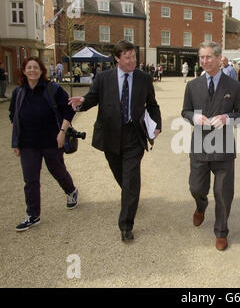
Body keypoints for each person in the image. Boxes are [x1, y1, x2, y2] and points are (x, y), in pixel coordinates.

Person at [68, 40, 162, 242]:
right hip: (110, 135)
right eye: (127, 57)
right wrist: (82, 102)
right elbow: (92, 98)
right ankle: (131, 196)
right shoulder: (103, 78)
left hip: (133, 135)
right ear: (117, 58)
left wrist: (157, 125)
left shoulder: (144, 78)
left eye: (134, 56)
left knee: (131, 179)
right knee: (121, 176)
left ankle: (126, 225)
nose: (132, 60)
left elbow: (153, 105)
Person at [181, 41, 240, 251]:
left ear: (219, 59)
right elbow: (185, 111)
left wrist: (228, 118)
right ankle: (201, 206)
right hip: (200, 145)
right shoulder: (192, 86)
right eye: (202, 57)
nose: (205, 61)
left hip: (224, 147)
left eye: (209, 57)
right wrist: (194, 117)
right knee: (196, 188)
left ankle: (221, 231)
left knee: (223, 193)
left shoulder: (234, 86)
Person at [9, 56, 78, 231]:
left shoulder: (52, 89)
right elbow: (13, 117)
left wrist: (62, 132)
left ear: (41, 71)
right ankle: (33, 214)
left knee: (57, 170)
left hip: (51, 140)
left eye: (36, 67)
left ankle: (71, 191)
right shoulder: (18, 93)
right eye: (29, 68)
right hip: (28, 144)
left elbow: (69, 109)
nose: (32, 70)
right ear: (24, 71)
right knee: (30, 179)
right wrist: (15, 142)